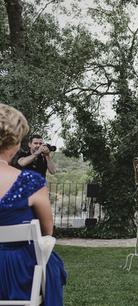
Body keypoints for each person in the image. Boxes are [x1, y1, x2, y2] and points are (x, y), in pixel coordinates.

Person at [0, 103, 67, 305]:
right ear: (16, 144)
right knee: (51, 263)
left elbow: (53, 170)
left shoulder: (38, 170)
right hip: (15, 270)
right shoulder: (30, 181)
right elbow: (47, 232)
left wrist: (47, 156)